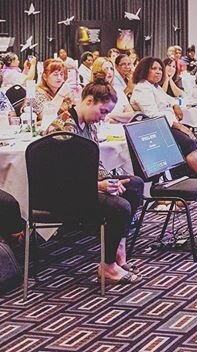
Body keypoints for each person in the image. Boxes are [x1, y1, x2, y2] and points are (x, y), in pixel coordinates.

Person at [46, 76, 143, 284]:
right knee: (120, 207)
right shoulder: (62, 127)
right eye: (103, 111)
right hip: (64, 195)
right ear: (89, 101)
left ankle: (118, 251)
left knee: (134, 185)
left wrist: (110, 182)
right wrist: (98, 186)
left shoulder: (88, 125)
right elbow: (61, 176)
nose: (103, 117)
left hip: (84, 188)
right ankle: (107, 266)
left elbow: (94, 164)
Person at [130, 57, 197, 188]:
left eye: (160, 69)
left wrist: (175, 105)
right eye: (153, 68)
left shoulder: (154, 87)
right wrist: (178, 125)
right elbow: (153, 115)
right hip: (156, 130)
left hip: (166, 126)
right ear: (144, 70)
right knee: (189, 142)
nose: (158, 72)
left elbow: (170, 99)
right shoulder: (142, 89)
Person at [91, 57, 135, 123]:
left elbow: (131, 115)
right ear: (98, 71)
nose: (109, 72)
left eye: (111, 69)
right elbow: (96, 117)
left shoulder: (118, 91)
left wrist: (111, 116)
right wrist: (120, 119)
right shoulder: (92, 91)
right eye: (106, 69)